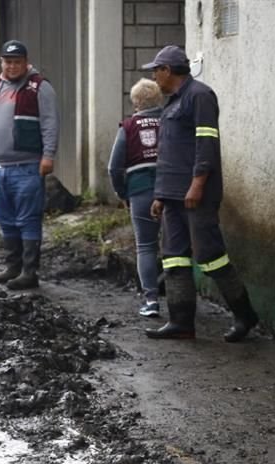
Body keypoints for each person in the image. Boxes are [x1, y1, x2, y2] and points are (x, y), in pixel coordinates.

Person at [141, 45, 258, 341]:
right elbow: (169, 152)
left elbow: (207, 144)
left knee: (210, 256)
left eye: (156, 71)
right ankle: (181, 322)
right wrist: (160, 194)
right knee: (174, 258)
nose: (154, 77)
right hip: (172, 195)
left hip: (195, 195)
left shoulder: (200, 96)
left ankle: (245, 316)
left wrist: (198, 184)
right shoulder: (173, 102)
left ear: (167, 70)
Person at [0, 39, 59, 291]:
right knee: (5, 219)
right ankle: (13, 268)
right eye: (8, 62)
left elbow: (50, 124)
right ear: (2, 63)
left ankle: (29, 272)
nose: (12, 66)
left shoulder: (39, 87)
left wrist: (48, 155)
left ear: (26, 62)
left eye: (17, 62)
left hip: (26, 167)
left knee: (27, 218)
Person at [109, 79, 164, 318]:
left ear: (136, 103)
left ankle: (151, 301)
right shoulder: (169, 122)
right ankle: (182, 300)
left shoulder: (128, 126)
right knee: (176, 246)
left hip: (140, 190)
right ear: (159, 99)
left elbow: (114, 167)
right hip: (171, 190)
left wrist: (122, 192)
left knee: (146, 246)